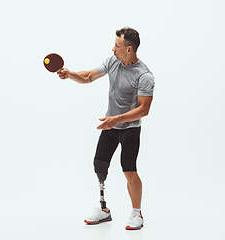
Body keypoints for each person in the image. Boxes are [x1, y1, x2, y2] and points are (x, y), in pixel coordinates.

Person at [57, 27, 154, 230]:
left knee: (129, 170)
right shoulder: (113, 61)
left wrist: (116, 119)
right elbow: (89, 76)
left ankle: (137, 214)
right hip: (110, 126)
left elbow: (144, 109)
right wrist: (71, 74)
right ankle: (104, 210)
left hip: (129, 129)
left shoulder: (144, 75)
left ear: (129, 49)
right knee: (99, 165)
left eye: (117, 46)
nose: (113, 49)